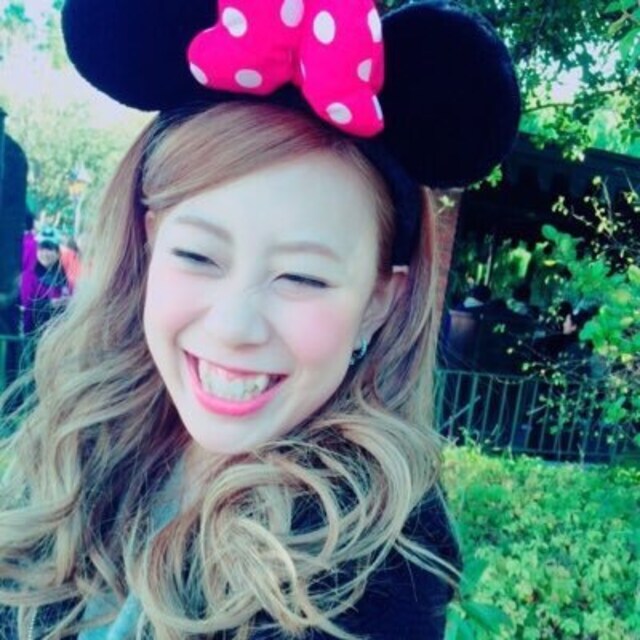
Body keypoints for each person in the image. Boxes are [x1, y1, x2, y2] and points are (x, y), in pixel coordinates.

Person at [0, 0, 520, 638]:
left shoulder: (378, 574)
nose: (233, 327)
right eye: (198, 256)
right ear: (151, 241)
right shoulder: (82, 434)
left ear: (378, 301)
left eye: (302, 277)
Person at [19, 226, 72, 334]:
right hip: (33, 333)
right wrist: (50, 304)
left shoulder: (62, 277)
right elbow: (27, 305)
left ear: (57, 253)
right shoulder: (29, 276)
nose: (45, 253)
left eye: (49, 249)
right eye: (42, 248)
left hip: (58, 334)